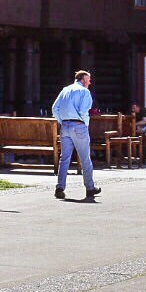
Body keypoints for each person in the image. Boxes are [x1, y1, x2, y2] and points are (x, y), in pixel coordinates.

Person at [51, 70, 100, 200]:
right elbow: (84, 111)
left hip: (65, 126)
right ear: (83, 79)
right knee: (85, 158)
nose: (90, 82)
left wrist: (62, 121)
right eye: (89, 80)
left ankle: (59, 188)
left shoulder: (65, 90)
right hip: (78, 126)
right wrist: (86, 124)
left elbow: (54, 108)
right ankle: (90, 188)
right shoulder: (84, 91)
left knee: (64, 158)